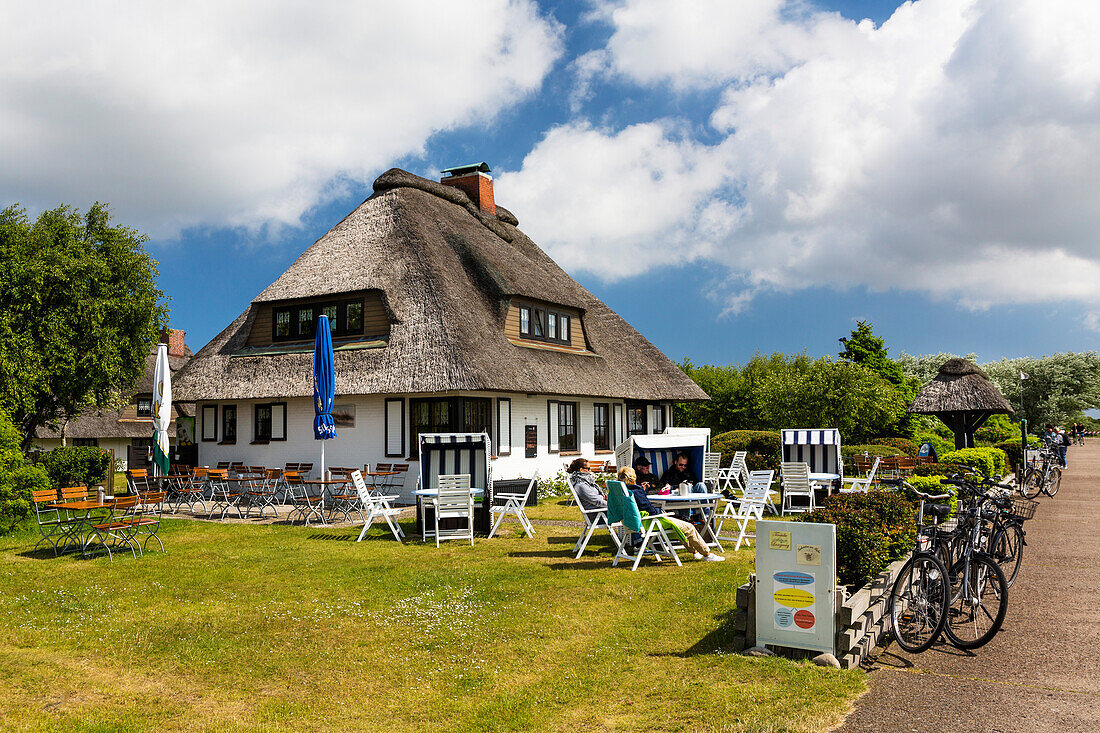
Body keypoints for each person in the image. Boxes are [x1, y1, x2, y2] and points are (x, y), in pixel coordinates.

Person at [617, 467, 723, 562]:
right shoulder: (636, 492)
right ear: (633, 477)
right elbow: (649, 509)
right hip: (651, 522)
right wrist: (662, 513)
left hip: (634, 523)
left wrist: (643, 491)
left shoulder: (624, 491)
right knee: (689, 527)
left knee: (680, 527)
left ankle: (695, 552)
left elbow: (639, 504)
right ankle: (707, 554)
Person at [658, 451, 707, 520]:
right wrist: (677, 487)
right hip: (677, 498)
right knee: (687, 486)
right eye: (681, 465)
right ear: (675, 462)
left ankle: (706, 516)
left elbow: (695, 483)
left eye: (685, 465)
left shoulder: (689, 472)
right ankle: (686, 516)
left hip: (692, 496)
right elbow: (666, 488)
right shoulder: (668, 474)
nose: (683, 467)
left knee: (701, 485)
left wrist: (691, 484)